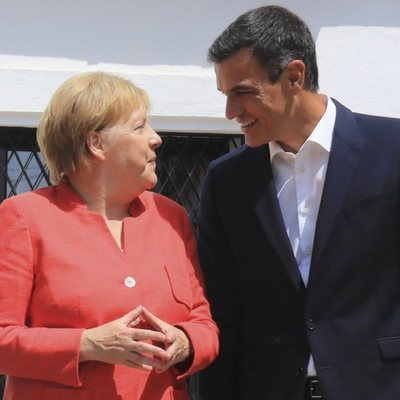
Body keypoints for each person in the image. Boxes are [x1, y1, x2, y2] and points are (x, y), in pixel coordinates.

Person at [196, 5, 400, 400]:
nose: (230, 112)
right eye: (225, 95)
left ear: (294, 76)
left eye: (243, 93)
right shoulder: (225, 180)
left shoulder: (393, 151)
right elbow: (223, 308)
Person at [0, 71, 218, 400]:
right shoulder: (24, 217)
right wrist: (87, 345)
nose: (156, 138)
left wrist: (185, 342)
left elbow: (205, 326)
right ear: (96, 143)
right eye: (139, 126)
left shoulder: (171, 217)